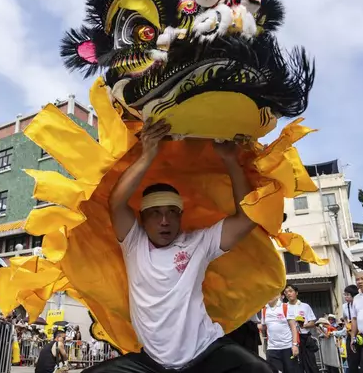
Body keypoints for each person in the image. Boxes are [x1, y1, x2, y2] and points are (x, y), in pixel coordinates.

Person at [86, 119, 272, 372]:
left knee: (259, 370)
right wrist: (148, 153)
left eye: (172, 212)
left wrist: (230, 160)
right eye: (156, 213)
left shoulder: (199, 243)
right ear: (142, 218)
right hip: (152, 363)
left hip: (206, 353)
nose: (165, 220)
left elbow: (248, 217)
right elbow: (116, 202)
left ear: (181, 216)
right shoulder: (134, 243)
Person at [284, 284, 318, 373]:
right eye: (286, 292)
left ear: (296, 293)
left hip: (304, 338)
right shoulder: (284, 307)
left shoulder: (305, 306)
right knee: (295, 365)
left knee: (310, 364)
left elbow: (313, 322)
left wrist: (304, 325)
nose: (288, 294)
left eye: (290, 291)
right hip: (290, 339)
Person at [261, 295, 300, 373]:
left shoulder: (285, 307)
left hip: (287, 348)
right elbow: (263, 327)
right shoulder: (264, 310)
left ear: (277, 296)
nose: (269, 296)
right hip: (272, 348)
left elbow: (293, 327)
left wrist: (295, 345)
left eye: (272, 293)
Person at [343, 284, 360, 373]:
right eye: (345, 294)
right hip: (350, 334)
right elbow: (344, 318)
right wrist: (347, 325)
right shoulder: (345, 306)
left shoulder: (359, 303)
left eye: (348, 295)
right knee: (352, 359)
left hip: (361, 333)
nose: (346, 297)